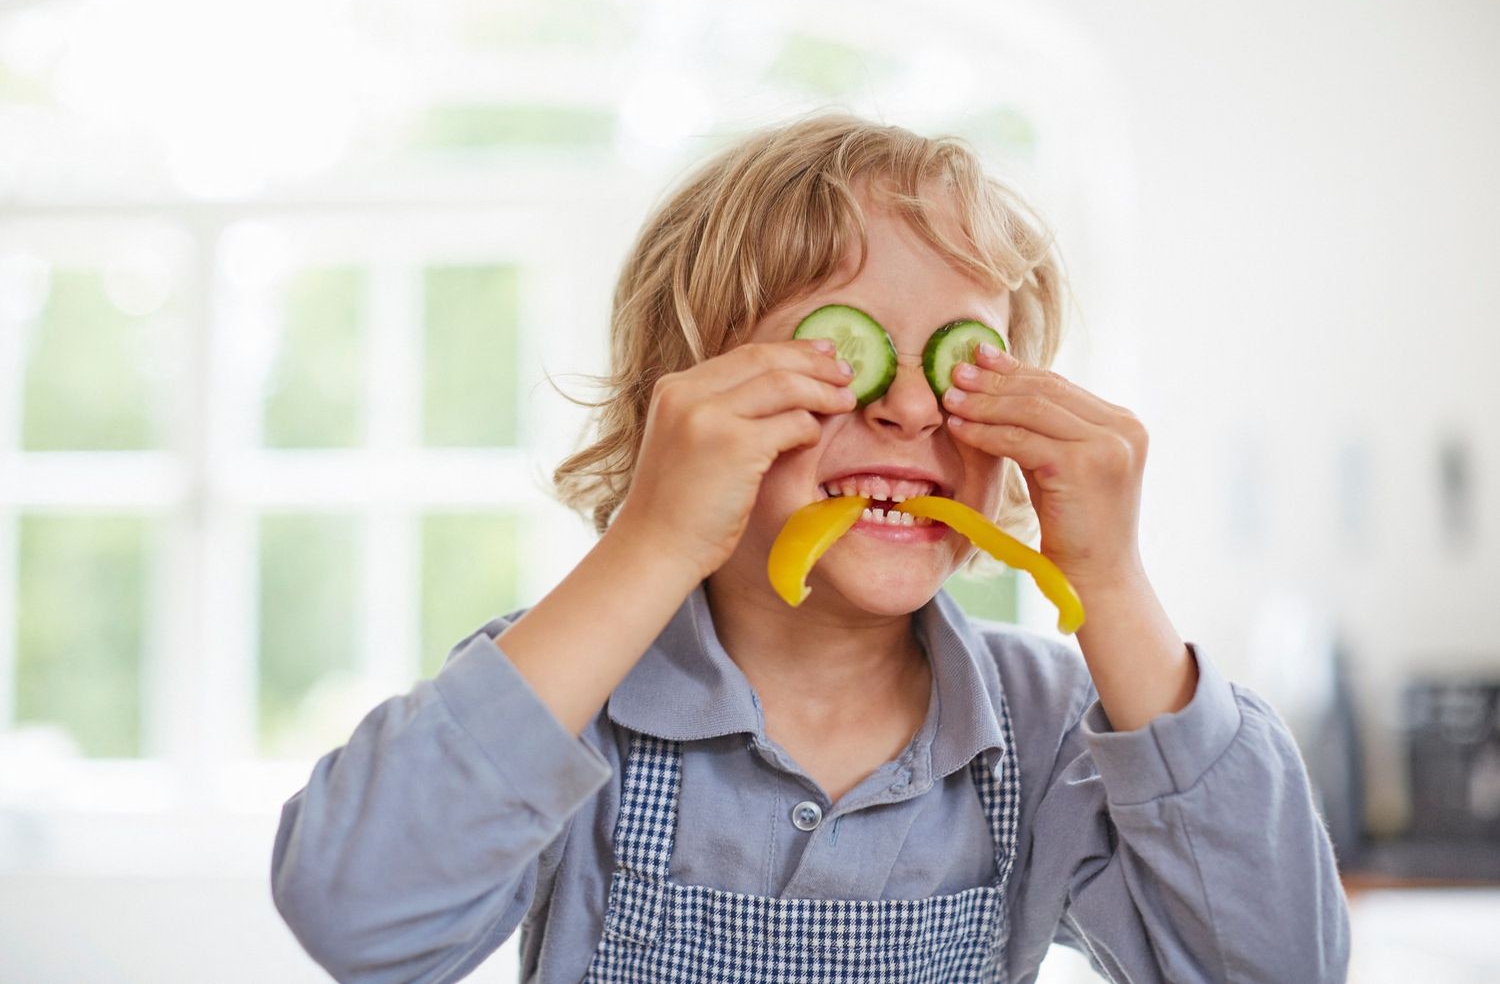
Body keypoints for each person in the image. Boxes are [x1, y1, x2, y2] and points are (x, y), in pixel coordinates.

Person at [271, 114, 1350, 982]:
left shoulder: (1053, 731)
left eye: (967, 362)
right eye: (846, 353)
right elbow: (357, 916)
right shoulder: (573, 686)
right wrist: (650, 544)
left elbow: (1277, 966)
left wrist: (1112, 584)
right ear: (684, 407)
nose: (915, 408)